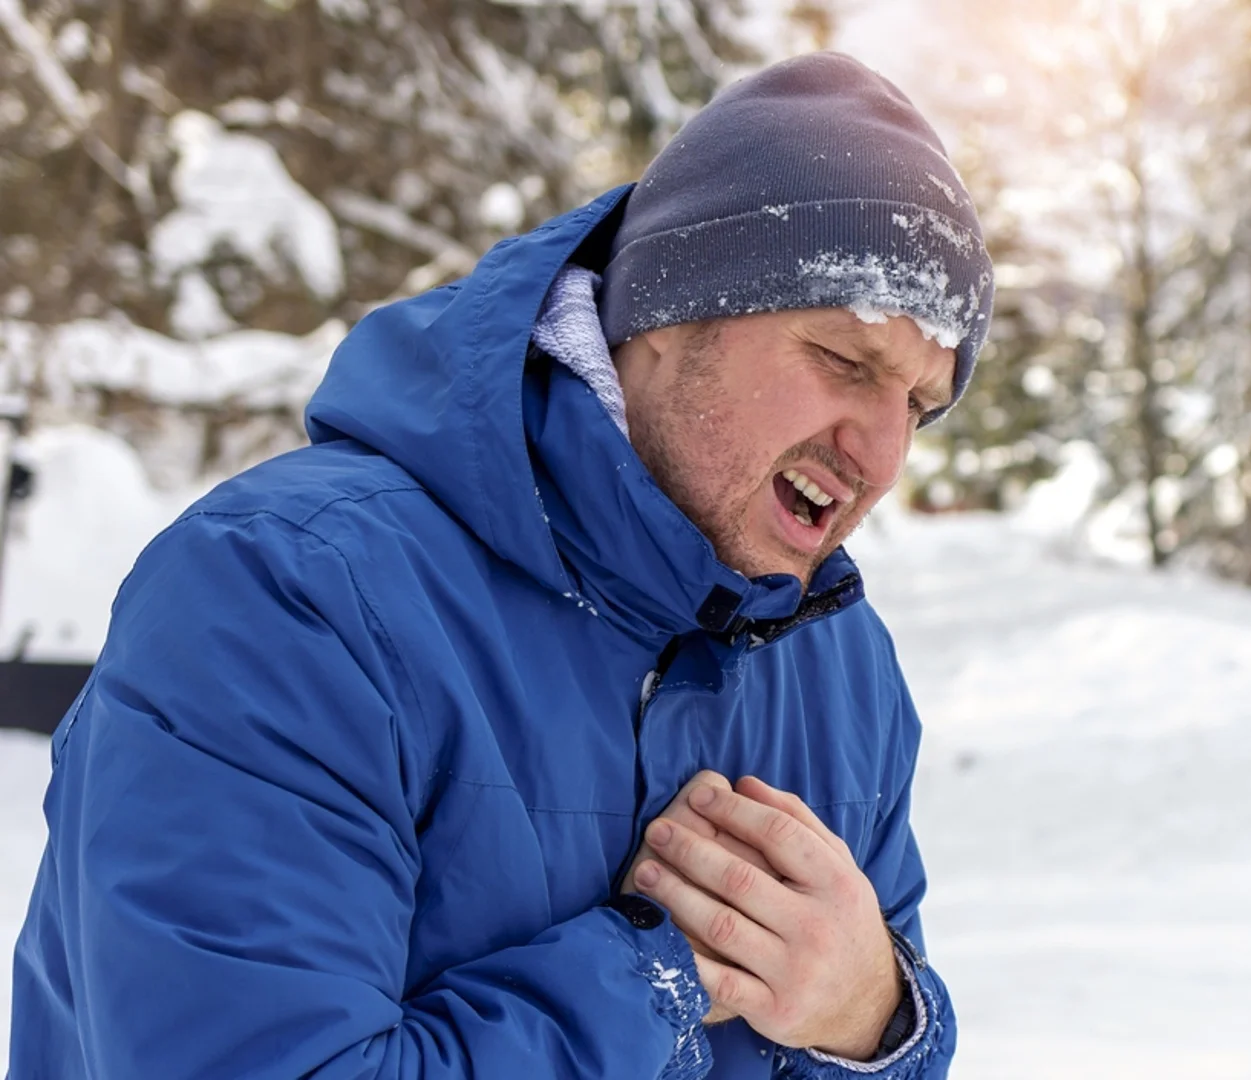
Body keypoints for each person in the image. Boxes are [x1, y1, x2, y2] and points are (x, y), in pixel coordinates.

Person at [9, 51, 991, 1080]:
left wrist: (875, 1017)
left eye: (918, 407)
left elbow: (870, 1019)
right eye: (844, 361)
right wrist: (650, 973)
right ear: (667, 314)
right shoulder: (286, 597)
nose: (882, 459)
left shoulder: (837, 665)